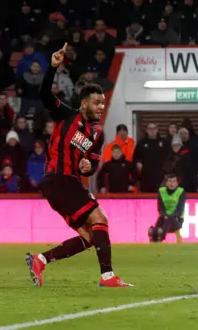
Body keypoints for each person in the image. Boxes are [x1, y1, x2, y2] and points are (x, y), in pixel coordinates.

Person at [25, 43, 131, 288]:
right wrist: (52, 68)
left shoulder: (98, 134)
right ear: (84, 103)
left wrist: (88, 168)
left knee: (91, 235)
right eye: (96, 103)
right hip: (57, 180)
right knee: (100, 217)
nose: (100, 107)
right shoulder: (66, 115)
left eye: (103, 103)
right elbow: (44, 96)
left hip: (68, 183)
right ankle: (108, 277)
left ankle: (40, 260)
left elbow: (93, 163)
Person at [149, 174, 186, 243]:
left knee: (168, 220)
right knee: (163, 220)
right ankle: (156, 234)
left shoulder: (181, 191)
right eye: (169, 181)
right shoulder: (161, 191)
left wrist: (169, 216)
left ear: (177, 183)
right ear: (166, 183)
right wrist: (164, 215)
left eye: (174, 181)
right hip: (164, 217)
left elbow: (180, 210)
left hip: (177, 219)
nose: (172, 183)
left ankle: (157, 234)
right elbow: (160, 208)